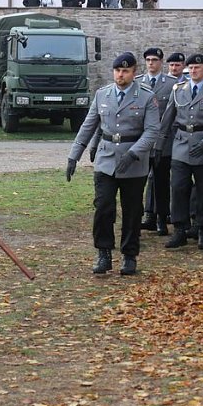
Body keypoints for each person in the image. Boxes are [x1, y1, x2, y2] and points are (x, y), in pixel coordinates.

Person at [65, 52, 160, 276]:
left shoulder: (146, 97)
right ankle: (103, 252)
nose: (120, 75)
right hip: (106, 160)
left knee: (132, 210)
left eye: (125, 71)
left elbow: (152, 131)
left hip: (133, 162)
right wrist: (73, 156)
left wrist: (134, 153)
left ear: (134, 72)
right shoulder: (102, 94)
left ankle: (129, 255)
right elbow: (88, 126)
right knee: (104, 206)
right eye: (117, 70)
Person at [159, 53, 203, 250]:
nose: (193, 71)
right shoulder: (179, 89)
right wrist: (159, 144)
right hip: (181, 144)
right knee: (178, 187)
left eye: (197, 67)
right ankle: (180, 229)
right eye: (190, 68)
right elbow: (167, 119)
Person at [136, 47, 176, 236]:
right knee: (138, 183)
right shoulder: (137, 83)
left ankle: (161, 218)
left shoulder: (172, 84)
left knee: (161, 182)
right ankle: (141, 217)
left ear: (161, 62)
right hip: (142, 142)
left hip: (163, 142)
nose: (151, 63)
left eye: (154, 60)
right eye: (148, 60)